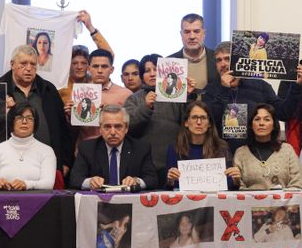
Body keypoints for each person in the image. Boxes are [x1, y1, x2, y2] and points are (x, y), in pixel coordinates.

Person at [0, 45, 73, 176]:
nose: (29, 68)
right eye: (23, 64)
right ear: (12, 64)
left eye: (33, 64)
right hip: (9, 163)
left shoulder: (49, 89)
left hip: (46, 163)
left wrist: (65, 161)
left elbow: (62, 128)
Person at [202, 42, 283, 153]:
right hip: (222, 153)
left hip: (256, 153)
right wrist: (224, 90)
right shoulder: (210, 90)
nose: (223, 64)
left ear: (238, 60)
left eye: (227, 59)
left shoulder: (260, 86)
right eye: (218, 60)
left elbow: (283, 113)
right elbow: (210, 122)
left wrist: (296, 86)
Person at [124, 54, 187, 185]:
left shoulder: (175, 95)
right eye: (147, 71)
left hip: (173, 161)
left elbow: (188, 122)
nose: (152, 74)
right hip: (143, 163)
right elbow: (128, 127)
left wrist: (189, 95)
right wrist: (145, 107)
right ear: (142, 76)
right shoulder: (133, 98)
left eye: (156, 69)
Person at [70, 105, 158, 190]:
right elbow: (74, 179)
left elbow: (152, 179)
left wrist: (137, 181)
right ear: (100, 129)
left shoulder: (141, 148)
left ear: (126, 128)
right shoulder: (87, 148)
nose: (112, 132)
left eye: (118, 127)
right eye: (107, 127)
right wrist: (90, 182)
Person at [166, 101, 241, 190]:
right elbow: (170, 187)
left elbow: (230, 185)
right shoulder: (175, 148)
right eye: (194, 117)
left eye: (203, 118)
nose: (198, 122)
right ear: (186, 122)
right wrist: (170, 180)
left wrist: (236, 180)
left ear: (209, 123)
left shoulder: (221, 146)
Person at [0, 102, 56, 190]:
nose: (24, 122)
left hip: (37, 201)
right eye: (20, 118)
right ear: (11, 121)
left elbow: (48, 184)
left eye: (29, 118)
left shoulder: (46, 151)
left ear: (35, 123)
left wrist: (26, 185)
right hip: (3, 200)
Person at [233, 103, 302, 190]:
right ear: (251, 125)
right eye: (257, 119)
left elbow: (296, 184)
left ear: (274, 125)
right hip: (251, 203)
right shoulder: (241, 153)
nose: (261, 123)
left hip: (283, 203)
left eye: (267, 119)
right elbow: (240, 188)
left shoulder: (287, 150)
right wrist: (236, 180)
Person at [69, 49, 132, 143]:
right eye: (95, 66)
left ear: (112, 69)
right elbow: (72, 129)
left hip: (115, 149)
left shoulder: (126, 94)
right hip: (86, 150)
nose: (99, 70)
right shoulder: (79, 93)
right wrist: (69, 115)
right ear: (89, 68)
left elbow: (131, 127)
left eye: (104, 66)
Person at [58, 10, 114, 104]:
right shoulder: (61, 84)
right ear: (69, 65)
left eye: (83, 63)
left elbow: (108, 55)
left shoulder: (95, 81)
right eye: (75, 63)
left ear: (89, 66)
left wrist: (90, 27)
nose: (79, 67)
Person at [167, 13, 214, 90]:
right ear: (181, 35)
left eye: (196, 31)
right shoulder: (168, 62)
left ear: (204, 34)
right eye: (187, 32)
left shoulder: (217, 59)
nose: (192, 36)